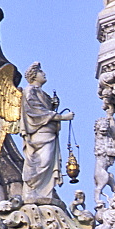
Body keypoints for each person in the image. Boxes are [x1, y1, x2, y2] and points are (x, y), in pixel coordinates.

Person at [20, 63, 73, 202]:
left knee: (47, 163)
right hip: (39, 134)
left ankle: (43, 192)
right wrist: (62, 117)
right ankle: (34, 192)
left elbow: (44, 109)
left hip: (48, 133)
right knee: (41, 162)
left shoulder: (42, 93)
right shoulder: (29, 91)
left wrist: (53, 105)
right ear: (33, 75)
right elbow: (36, 111)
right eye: (40, 71)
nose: (43, 73)